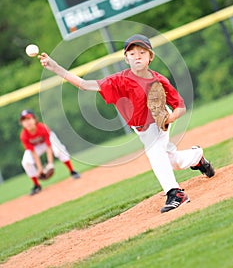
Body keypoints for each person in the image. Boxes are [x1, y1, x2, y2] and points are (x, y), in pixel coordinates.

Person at [39, 34, 215, 212]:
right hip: (140, 128)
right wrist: (56, 68)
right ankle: (196, 157)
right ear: (126, 58)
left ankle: (175, 193)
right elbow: (84, 85)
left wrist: (168, 119)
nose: (137, 56)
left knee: (154, 153)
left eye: (142, 52)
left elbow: (180, 107)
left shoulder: (159, 80)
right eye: (132, 53)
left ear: (150, 57)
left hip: (157, 122)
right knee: (171, 160)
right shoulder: (118, 81)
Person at [19, 109, 80, 195]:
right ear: (21, 123)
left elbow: (49, 147)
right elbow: (33, 153)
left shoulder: (42, 128)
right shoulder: (24, 135)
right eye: (24, 120)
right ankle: (37, 185)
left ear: (34, 119)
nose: (27, 122)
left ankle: (72, 171)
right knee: (26, 162)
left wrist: (50, 163)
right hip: (36, 147)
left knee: (59, 150)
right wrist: (40, 168)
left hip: (48, 141)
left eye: (29, 119)